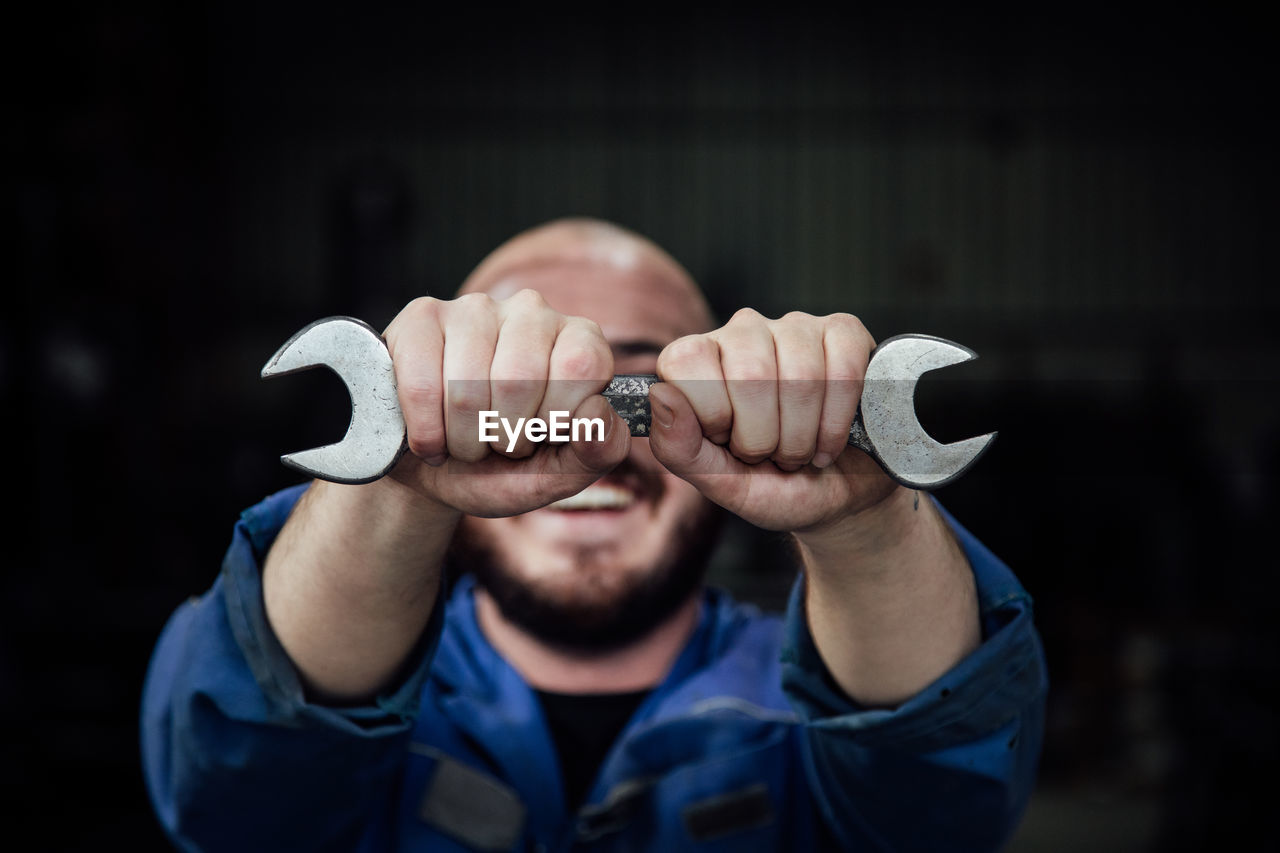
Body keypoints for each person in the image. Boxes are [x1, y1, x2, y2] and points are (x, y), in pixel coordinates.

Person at [141, 218, 1046, 851]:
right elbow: (235, 793)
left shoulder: (802, 708)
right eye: (513, 380)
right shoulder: (368, 673)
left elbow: (941, 808)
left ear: (746, 399)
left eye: (641, 369)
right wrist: (398, 478)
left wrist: (866, 514)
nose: (588, 431)